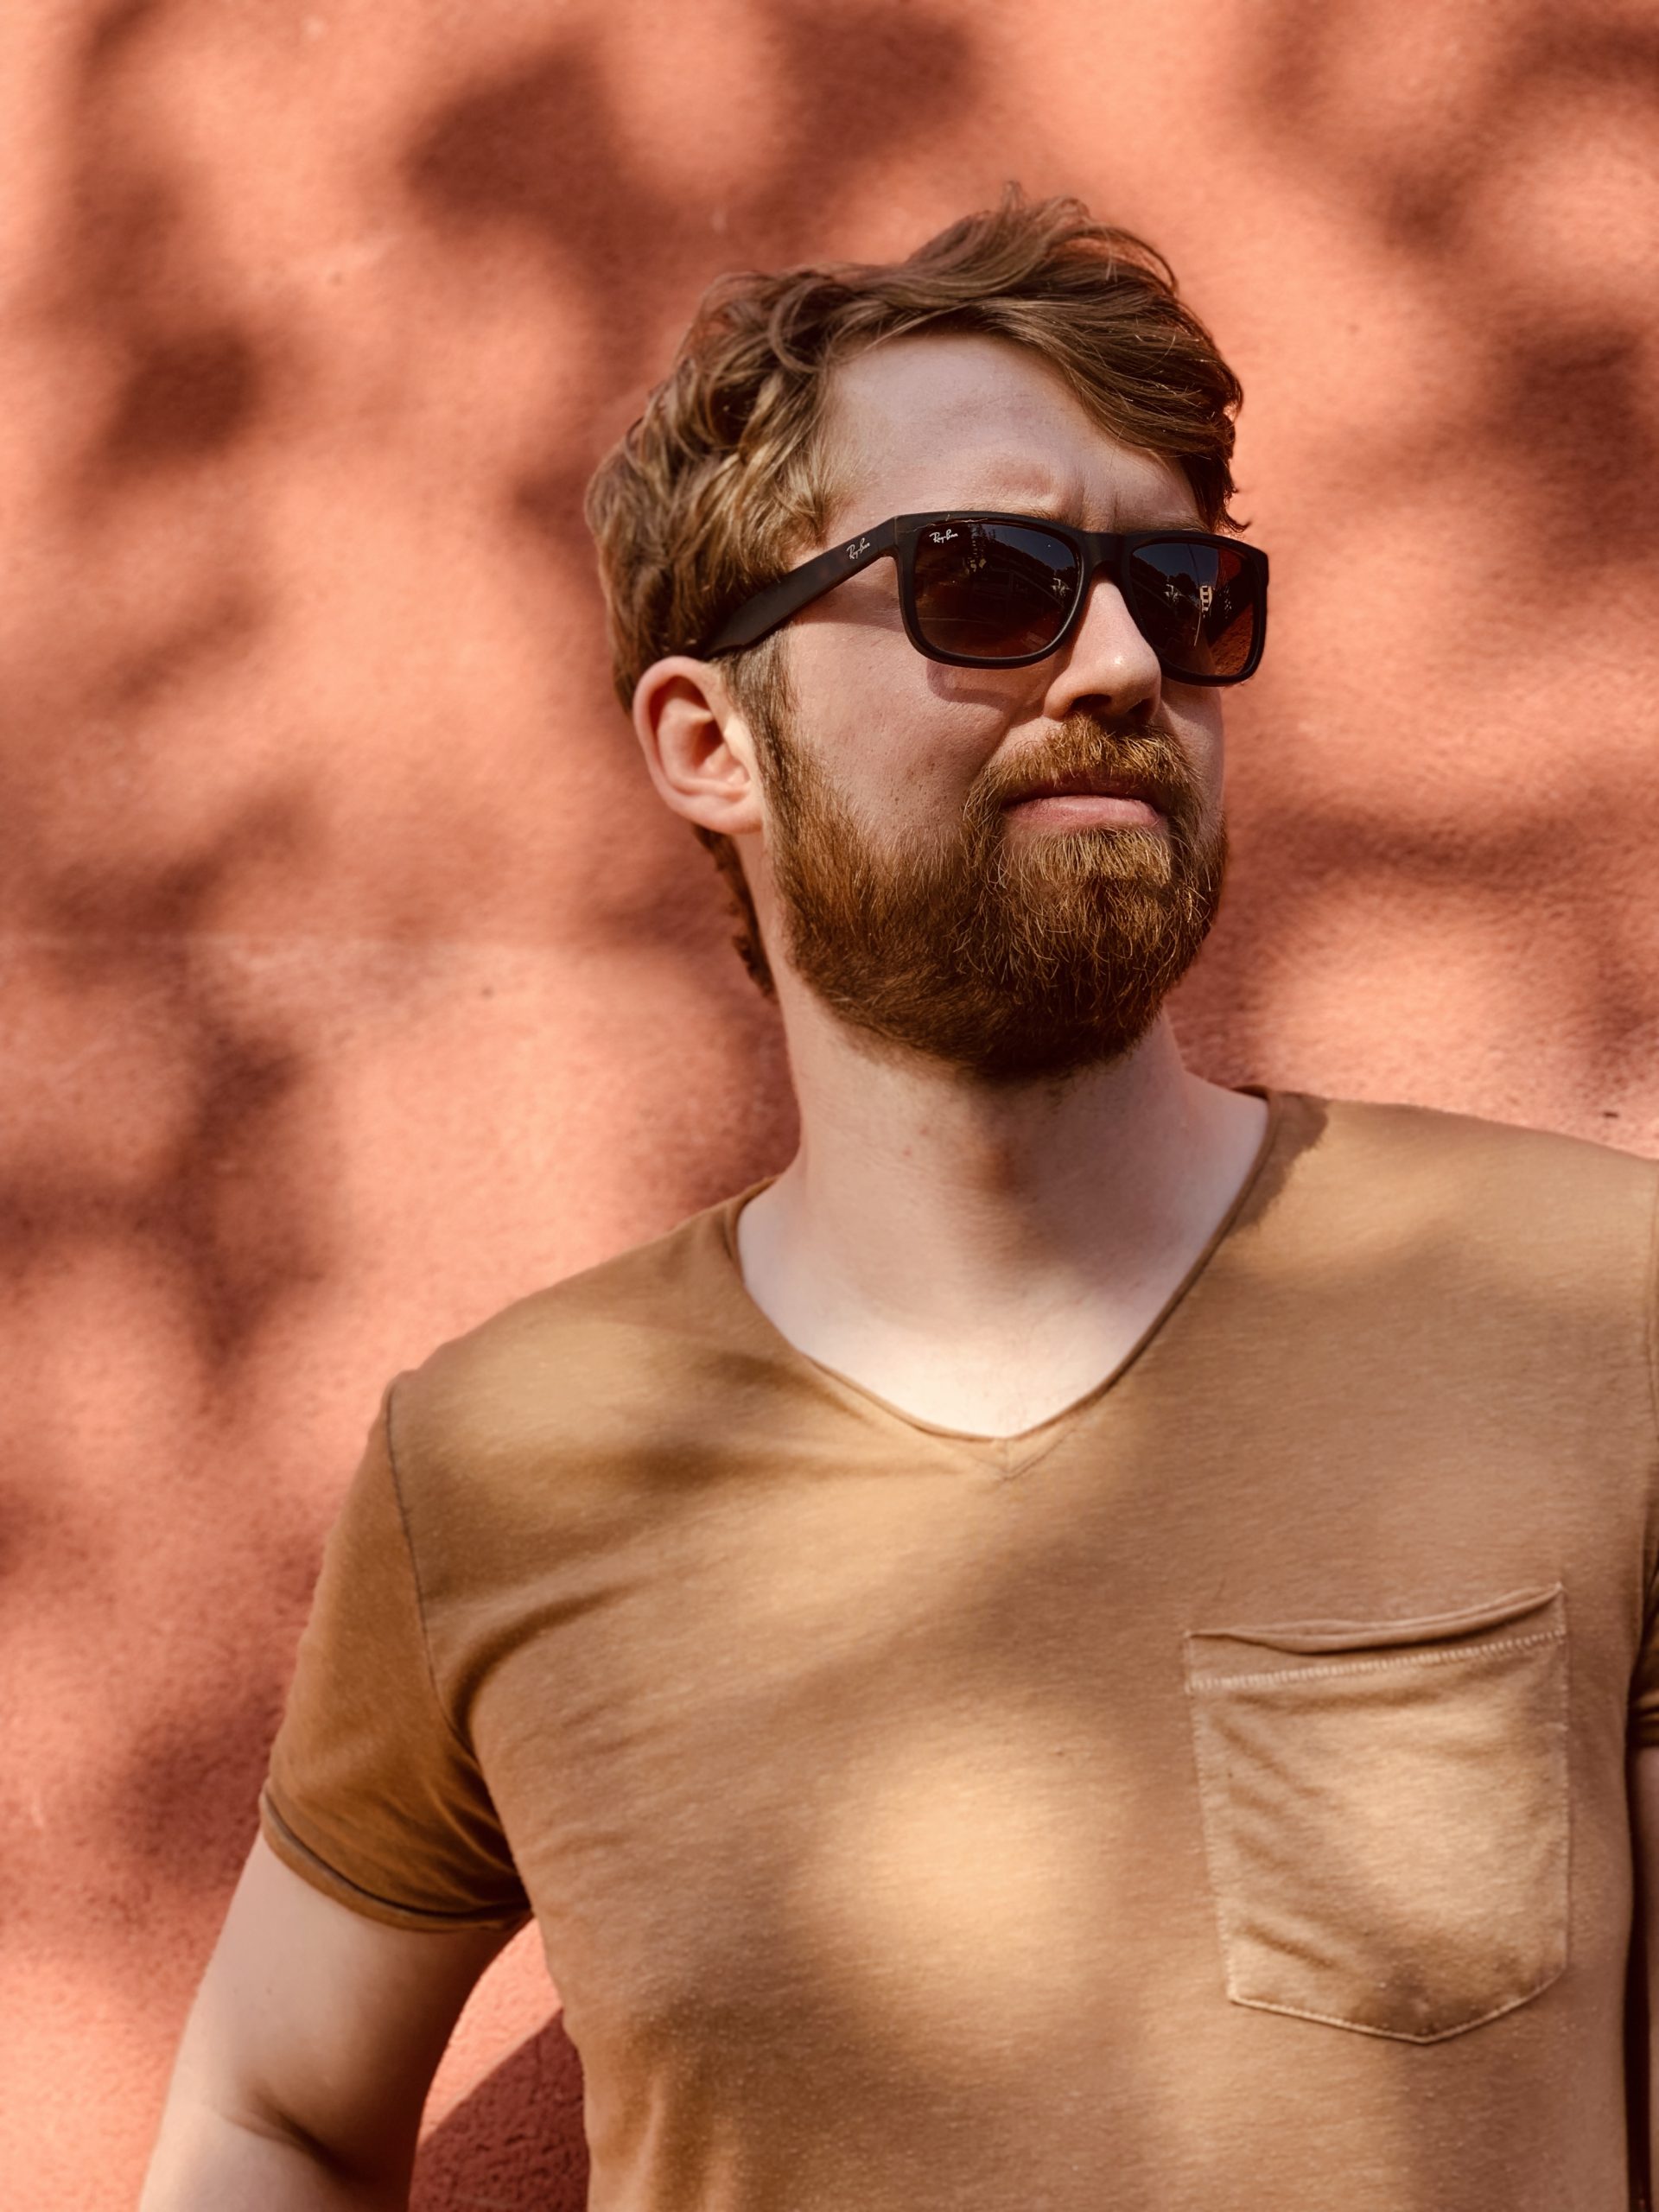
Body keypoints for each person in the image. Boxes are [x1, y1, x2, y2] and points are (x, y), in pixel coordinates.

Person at [141, 190, 1659, 2212]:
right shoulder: (500, 1466)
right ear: (711, 741)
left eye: (1180, 588)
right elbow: (267, 2115)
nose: (1122, 659)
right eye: (986, 581)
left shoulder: (1589, 1312)